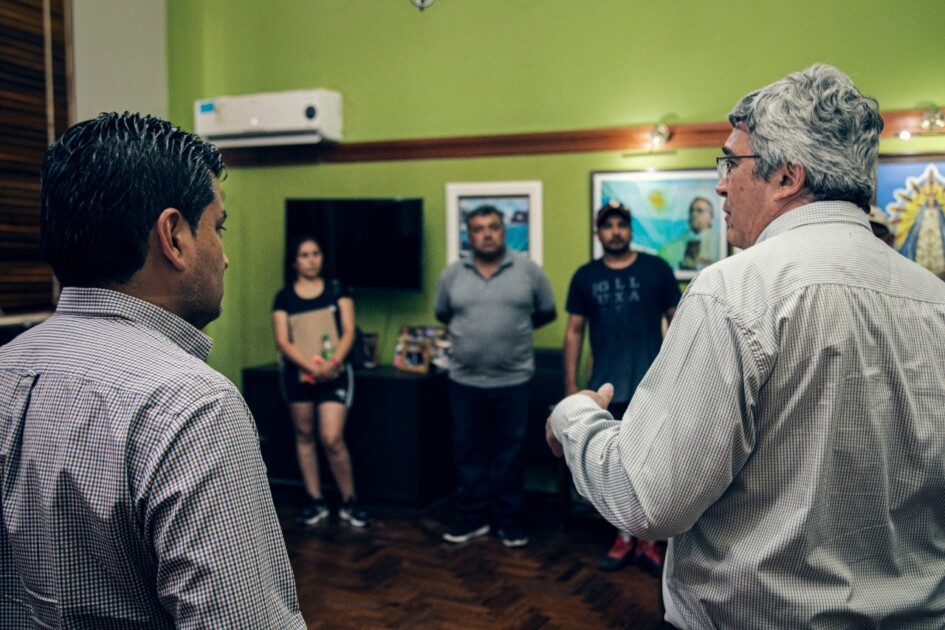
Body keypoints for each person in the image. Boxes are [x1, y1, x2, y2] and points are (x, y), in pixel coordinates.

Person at [547, 64, 945, 627]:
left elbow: (646, 499)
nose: (720, 184)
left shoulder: (735, 291)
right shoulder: (934, 299)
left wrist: (574, 417)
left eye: (731, 163)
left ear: (786, 177)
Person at [0, 113, 305, 627]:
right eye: (218, 227)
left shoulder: (6, 367)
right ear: (174, 237)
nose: (225, 258)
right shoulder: (191, 405)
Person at [563, 200, 680, 573]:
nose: (615, 231)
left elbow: (679, 322)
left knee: (651, 468)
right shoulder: (585, 276)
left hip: (652, 388)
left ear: (630, 229)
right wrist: (571, 387)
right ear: (598, 232)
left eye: (621, 225)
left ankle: (649, 541)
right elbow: (574, 331)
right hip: (605, 390)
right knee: (614, 468)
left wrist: (681, 378)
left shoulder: (656, 269)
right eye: (607, 225)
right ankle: (622, 538)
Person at [435, 205, 557, 548]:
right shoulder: (452, 275)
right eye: (478, 228)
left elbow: (546, 311)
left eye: (492, 227)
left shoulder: (528, 271)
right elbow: (443, 313)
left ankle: (508, 520)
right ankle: (473, 517)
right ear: (469, 235)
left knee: (509, 455)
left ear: (503, 232)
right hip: (464, 382)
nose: (486, 234)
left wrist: (513, 330)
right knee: (468, 453)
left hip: (513, 381)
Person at [272, 234, 369, 528]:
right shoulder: (284, 297)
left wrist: (333, 363)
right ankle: (315, 501)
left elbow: (349, 331)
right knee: (304, 434)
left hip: (335, 374)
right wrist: (310, 368)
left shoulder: (337, 289)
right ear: (294, 262)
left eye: (315, 253)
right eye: (304, 255)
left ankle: (349, 501)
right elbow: (283, 341)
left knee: (331, 438)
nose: (311, 260)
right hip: (298, 375)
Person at [659, 196, 721, 271]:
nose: (693, 214)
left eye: (699, 211)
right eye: (691, 210)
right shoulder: (674, 244)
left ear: (711, 216)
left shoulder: (720, 243)